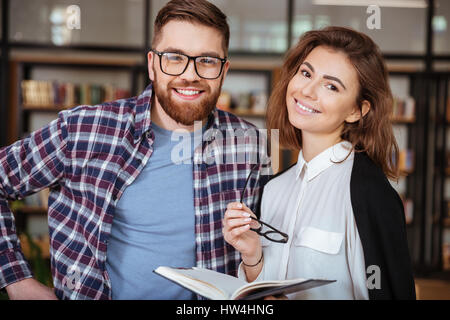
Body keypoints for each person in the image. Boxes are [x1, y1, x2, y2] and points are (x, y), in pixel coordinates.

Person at [0, 0, 270, 300]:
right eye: (175, 57)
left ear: (224, 70)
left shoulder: (247, 145)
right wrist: (18, 280)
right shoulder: (83, 130)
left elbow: (264, 250)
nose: (190, 74)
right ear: (153, 64)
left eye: (207, 60)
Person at [223, 26, 416, 300]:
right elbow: (266, 292)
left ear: (356, 110)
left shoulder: (371, 195)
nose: (307, 91)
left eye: (331, 86)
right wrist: (252, 255)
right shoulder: (274, 188)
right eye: (306, 73)